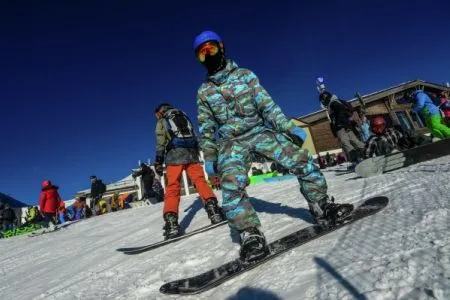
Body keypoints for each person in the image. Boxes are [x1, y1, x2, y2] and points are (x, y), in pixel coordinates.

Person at [193, 30, 353, 262]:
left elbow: (266, 105)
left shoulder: (245, 75)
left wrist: (288, 128)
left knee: (301, 159)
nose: (208, 56)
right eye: (201, 54)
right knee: (230, 184)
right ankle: (249, 233)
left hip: (259, 131)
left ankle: (321, 206)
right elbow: (206, 127)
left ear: (222, 48)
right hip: (231, 142)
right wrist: (209, 155)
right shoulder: (204, 92)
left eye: (212, 49)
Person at [154, 103, 224, 239]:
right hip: (192, 154)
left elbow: (160, 140)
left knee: (173, 187)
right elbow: (194, 135)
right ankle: (215, 212)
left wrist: (158, 160)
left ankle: (172, 223)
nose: (156, 117)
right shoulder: (183, 115)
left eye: (156, 114)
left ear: (161, 111)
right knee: (200, 181)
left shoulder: (163, 120)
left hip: (174, 156)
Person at [319, 91, 365, 165]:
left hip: (341, 127)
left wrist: (339, 123)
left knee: (345, 143)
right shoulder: (336, 101)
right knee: (354, 141)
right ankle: (367, 152)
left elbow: (341, 111)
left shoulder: (333, 103)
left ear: (325, 98)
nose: (323, 103)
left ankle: (356, 160)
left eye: (322, 101)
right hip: (347, 125)